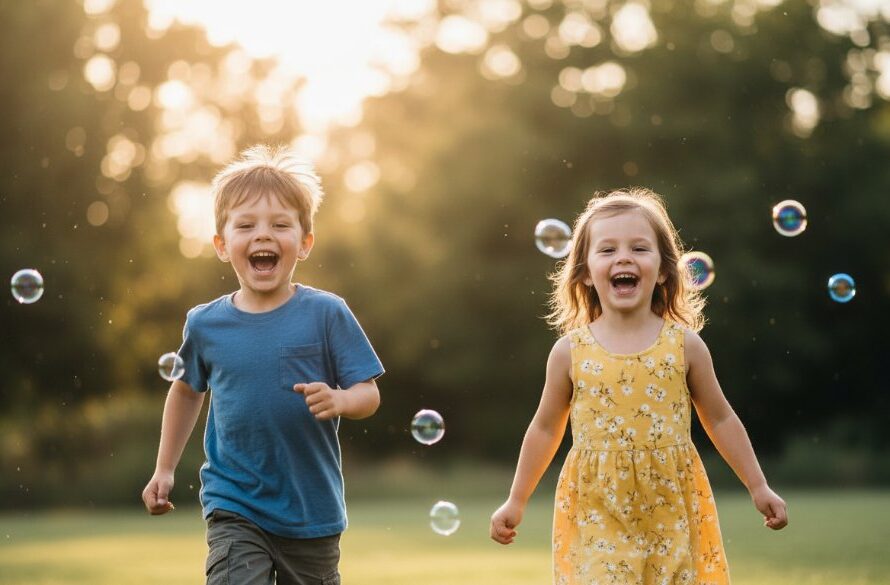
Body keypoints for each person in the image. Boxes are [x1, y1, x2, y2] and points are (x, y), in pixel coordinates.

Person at [490, 187, 787, 584]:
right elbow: (545, 428)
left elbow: (719, 418)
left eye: (639, 248)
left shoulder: (685, 345)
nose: (624, 257)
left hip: (670, 506)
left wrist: (758, 485)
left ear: (664, 269)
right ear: (585, 272)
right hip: (599, 505)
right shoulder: (569, 352)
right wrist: (517, 498)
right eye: (608, 250)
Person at [141, 144, 384, 585]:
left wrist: (342, 398)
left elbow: (369, 394)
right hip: (234, 504)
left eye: (280, 225)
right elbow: (186, 390)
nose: (263, 236)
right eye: (246, 225)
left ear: (305, 243)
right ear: (222, 244)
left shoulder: (328, 314)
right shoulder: (205, 324)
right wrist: (164, 468)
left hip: (312, 512)